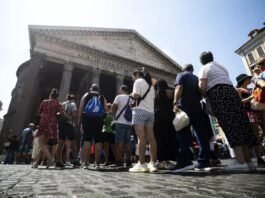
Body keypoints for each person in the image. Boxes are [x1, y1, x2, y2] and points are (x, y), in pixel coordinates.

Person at [198, 51, 257, 171]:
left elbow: (202, 86)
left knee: (230, 126)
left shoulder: (204, 68)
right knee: (240, 125)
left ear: (202, 60)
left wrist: (205, 96)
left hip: (218, 94)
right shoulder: (221, 67)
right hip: (231, 92)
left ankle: (240, 162)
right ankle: (249, 162)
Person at [173, 64, 211, 172]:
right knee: (201, 134)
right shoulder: (196, 78)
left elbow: (179, 87)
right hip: (197, 107)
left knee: (183, 134)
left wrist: (175, 102)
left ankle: (185, 161)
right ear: (192, 70)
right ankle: (204, 161)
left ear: (183, 69)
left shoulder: (181, 75)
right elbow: (202, 91)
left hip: (185, 106)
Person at [129, 69, 158, 173]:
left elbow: (136, 95)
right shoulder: (151, 86)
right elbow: (153, 99)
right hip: (150, 113)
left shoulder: (138, 81)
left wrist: (131, 94)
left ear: (137, 75)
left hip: (140, 111)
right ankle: (152, 163)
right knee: (151, 138)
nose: (133, 79)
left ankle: (141, 164)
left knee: (141, 137)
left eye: (133, 76)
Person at [236, 74, 265, 167]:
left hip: (258, 112)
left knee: (260, 134)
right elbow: (240, 102)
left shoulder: (250, 89)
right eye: (248, 78)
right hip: (250, 114)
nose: (250, 79)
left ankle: (261, 152)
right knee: (256, 135)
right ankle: (259, 158)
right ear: (244, 80)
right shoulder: (239, 90)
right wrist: (252, 97)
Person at [32, 88, 65, 169]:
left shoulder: (44, 102)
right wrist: (55, 114)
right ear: (57, 97)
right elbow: (62, 114)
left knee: (41, 144)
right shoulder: (58, 103)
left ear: (50, 95)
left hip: (44, 122)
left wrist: (44, 115)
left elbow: (39, 112)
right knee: (43, 144)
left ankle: (50, 159)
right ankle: (36, 163)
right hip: (53, 124)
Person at [78, 84, 107, 169]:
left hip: (87, 118)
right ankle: (97, 163)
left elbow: (81, 107)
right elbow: (105, 109)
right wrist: (103, 118)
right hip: (98, 119)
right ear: (98, 90)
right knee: (98, 140)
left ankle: (85, 162)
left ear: (91, 88)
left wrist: (80, 119)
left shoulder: (86, 95)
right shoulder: (102, 97)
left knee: (87, 139)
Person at [154, 79, 177, 169]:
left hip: (159, 117)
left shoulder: (156, 93)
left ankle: (161, 161)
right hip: (170, 116)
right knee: (171, 137)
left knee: (160, 139)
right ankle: (171, 160)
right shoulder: (171, 92)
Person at [111, 85, 133, 167]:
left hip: (120, 122)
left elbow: (113, 108)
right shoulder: (131, 99)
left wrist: (115, 112)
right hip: (129, 123)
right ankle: (129, 161)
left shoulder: (119, 97)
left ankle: (119, 161)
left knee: (120, 141)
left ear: (122, 90)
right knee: (128, 142)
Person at [56, 94, 79, 168]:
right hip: (69, 124)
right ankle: (75, 160)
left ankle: (58, 160)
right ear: (74, 99)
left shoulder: (63, 104)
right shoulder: (73, 104)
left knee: (60, 142)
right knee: (73, 142)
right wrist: (76, 122)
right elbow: (75, 114)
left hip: (61, 124)